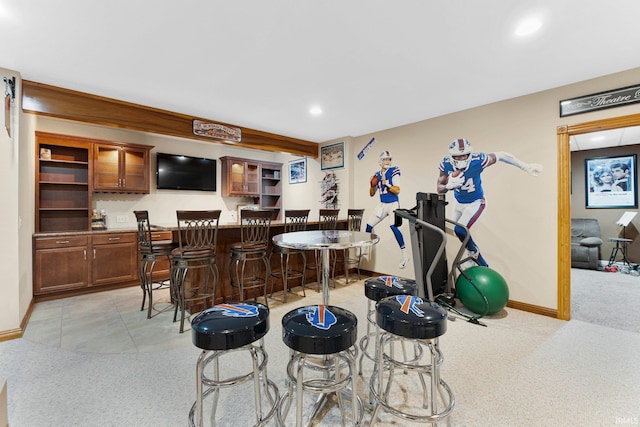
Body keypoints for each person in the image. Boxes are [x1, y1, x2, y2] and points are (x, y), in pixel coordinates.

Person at [437, 138, 543, 267]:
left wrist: (525, 166)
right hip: (458, 202)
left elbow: (503, 155)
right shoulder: (445, 163)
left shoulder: (478, 160)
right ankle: (472, 252)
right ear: (452, 157)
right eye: (458, 157)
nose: (461, 159)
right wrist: (448, 186)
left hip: (476, 202)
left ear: (470, 155)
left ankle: (476, 256)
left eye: (464, 155)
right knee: (456, 232)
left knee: (460, 230)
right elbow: (439, 189)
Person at [366, 151, 410, 268]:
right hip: (382, 204)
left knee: (393, 226)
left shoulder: (394, 170)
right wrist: (371, 185)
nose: (388, 162)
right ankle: (366, 249)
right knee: (368, 225)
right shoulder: (377, 174)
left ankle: (404, 254)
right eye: (385, 159)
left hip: (393, 204)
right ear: (380, 161)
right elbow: (371, 194)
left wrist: (387, 184)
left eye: (389, 159)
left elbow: (397, 190)